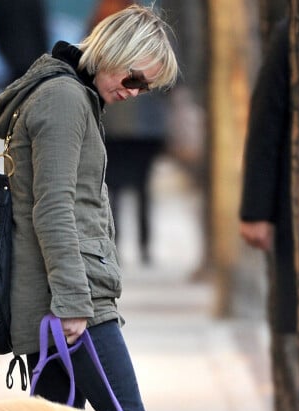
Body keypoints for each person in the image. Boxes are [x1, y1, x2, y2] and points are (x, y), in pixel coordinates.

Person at [0, 4, 178, 411]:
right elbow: (55, 209)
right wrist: (74, 304)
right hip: (74, 305)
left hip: (63, 301)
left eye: (147, 87)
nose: (136, 91)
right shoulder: (66, 100)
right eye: (135, 77)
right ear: (115, 52)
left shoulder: (68, 93)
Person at [239, 18, 299, 411]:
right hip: (297, 199)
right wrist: (255, 209)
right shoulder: (294, 33)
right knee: (295, 311)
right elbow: (265, 123)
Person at [87, 0, 169, 264]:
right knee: (139, 187)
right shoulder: (147, 26)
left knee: (115, 187)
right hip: (142, 126)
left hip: (119, 125)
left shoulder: (102, 21)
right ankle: (142, 245)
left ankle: (119, 244)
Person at [0, 0, 49, 85]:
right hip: (34, 57)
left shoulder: (0, 2)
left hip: (11, 59)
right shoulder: (35, 2)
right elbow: (41, 31)